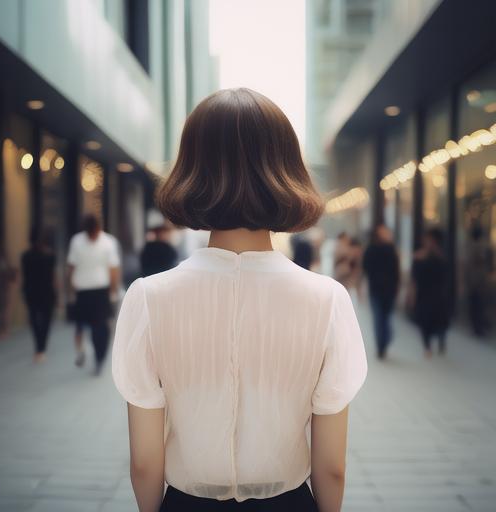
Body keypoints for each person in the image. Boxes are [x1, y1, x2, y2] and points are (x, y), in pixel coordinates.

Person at [111, 88, 368, 512]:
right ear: (285, 170)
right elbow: (332, 467)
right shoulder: (328, 300)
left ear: (192, 170)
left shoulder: (148, 298)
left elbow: (144, 463)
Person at [67, 214, 120, 375]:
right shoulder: (108, 242)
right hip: (97, 289)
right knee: (99, 326)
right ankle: (96, 356)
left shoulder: (77, 241)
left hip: (86, 289)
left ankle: (87, 353)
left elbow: (71, 267)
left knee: (84, 325)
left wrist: (70, 288)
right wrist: (113, 291)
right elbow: (113, 269)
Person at [410, 228, 450, 357]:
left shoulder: (441, 256)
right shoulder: (419, 256)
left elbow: (446, 276)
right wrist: (412, 293)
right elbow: (414, 277)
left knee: (440, 319)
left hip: (437, 293)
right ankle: (427, 346)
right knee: (424, 319)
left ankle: (441, 341)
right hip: (423, 293)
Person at [363, 224, 399, 360]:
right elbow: (365, 269)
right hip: (377, 289)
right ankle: (381, 345)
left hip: (387, 289)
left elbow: (396, 271)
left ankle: (384, 342)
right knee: (380, 318)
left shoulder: (390, 249)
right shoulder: (373, 249)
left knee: (384, 318)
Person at [21, 227, 57, 363]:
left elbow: (24, 276)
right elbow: (54, 277)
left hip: (31, 291)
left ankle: (39, 348)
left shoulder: (25, 256)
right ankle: (41, 348)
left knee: (34, 320)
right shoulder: (50, 256)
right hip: (47, 292)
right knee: (46, 321)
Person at [465, 223, 493, 337]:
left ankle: (477, 327)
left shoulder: (471, 246)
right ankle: (478, 327)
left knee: (475, 304)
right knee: (479, 304)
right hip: (479, 280)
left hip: (474, 279)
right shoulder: (480, 246)